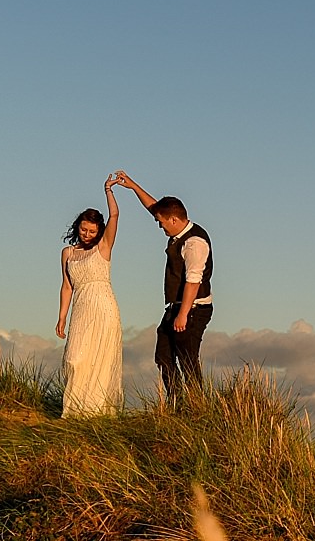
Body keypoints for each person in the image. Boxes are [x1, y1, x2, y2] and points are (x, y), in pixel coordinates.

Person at [112, 170, 213, 400]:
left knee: (187, 359)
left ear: (174, 220)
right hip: (176, 307)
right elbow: (155, 208)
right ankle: (176, 402)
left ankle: (198, 406)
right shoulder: (177, 228)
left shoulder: (194, 243)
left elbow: (192, 282)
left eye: (162, 223)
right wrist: (133, 186)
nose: (160, 227)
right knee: (163, 357)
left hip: (194, 308)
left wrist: (183, 314)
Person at [55, 176, 124, 416]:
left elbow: (114, 216)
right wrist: (62, 317)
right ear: (77, 227)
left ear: (99, 232)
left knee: (100, 361)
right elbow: (67, 287)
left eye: (92, 231)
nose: (86, 234)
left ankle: (92, 414)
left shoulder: (103, 247)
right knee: (75, 359)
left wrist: (108, 190)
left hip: (104, 307)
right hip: (81, 308)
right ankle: (74, 409)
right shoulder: (68, 253)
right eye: (83, 229)